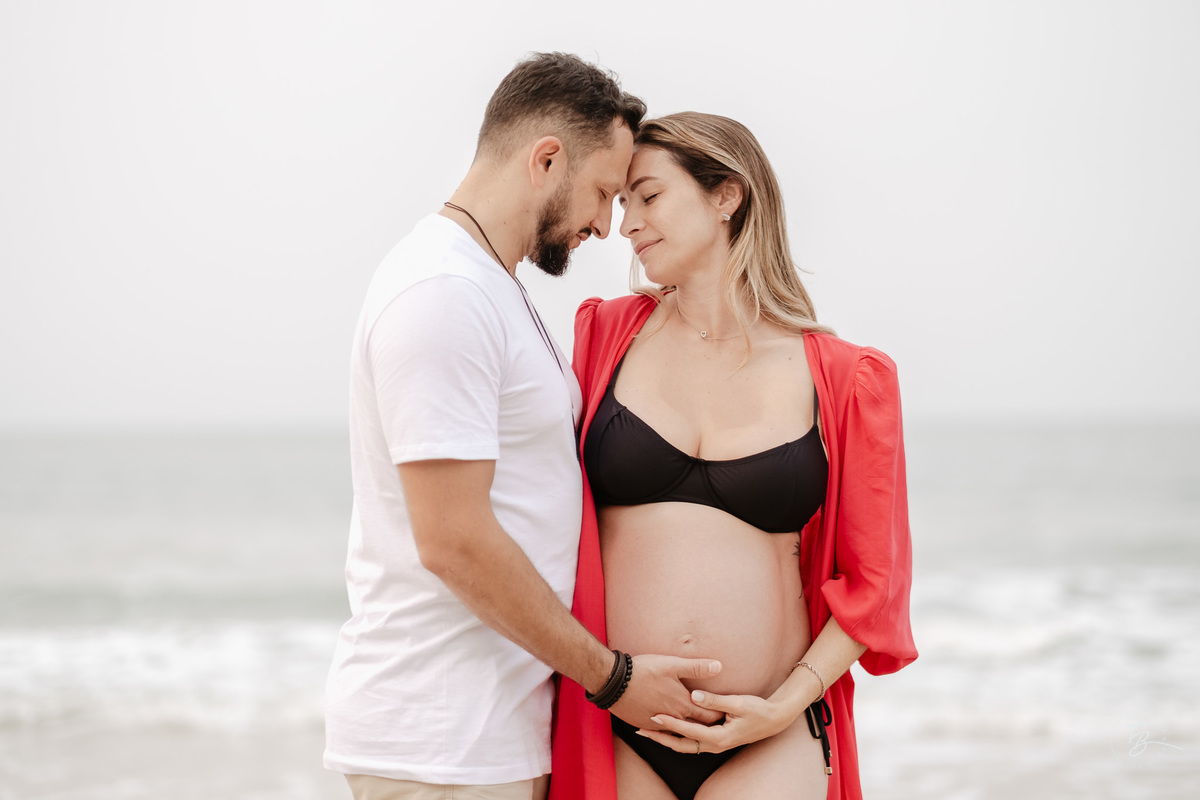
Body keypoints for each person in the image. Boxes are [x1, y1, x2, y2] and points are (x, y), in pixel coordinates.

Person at [324, 57, 724, 800]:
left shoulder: (488, 284)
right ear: (546, 158)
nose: (606, 225)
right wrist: (613, 679)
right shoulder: (442, 293)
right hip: (442, 745)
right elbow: (453, 540)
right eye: (603, 192)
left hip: (486, 738)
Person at [549, 112, 918, 800]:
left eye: (649, 196)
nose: (626, 224)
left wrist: (783, 707)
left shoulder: (846, 378)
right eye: (623, 202)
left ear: (726, 195)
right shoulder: (602, 337)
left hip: (769, 733)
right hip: (619, 720)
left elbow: (876, 585)